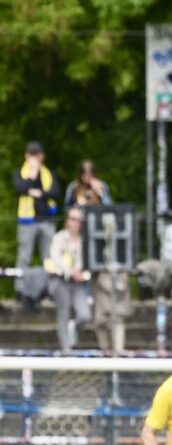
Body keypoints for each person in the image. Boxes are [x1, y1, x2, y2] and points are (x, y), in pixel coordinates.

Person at [13, 141, 61, 302]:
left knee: (48, 257)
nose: (34, 157)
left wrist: (37, 193)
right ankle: (20, 291)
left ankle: (48, 290)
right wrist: (32, 174)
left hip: (47, 220)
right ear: (26, 156)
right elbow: (20, 187)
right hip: (27, 221)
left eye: (37, 154)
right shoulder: (20, 172)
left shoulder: (49, 173)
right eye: (31, 154)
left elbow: (55, 192)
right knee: (24, 257)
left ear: (42, 156)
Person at [45, 206, 91, 353]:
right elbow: (55, 257)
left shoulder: (85, 240)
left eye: (79, 220)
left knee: (85, 315)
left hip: (78, 283)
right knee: (63, 314)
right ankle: (66, 350)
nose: (76, 223)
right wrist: (70, 271)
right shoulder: (59, 237)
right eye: (73, 219)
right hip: (61, 280)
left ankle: (74, 327)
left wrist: (81, 273)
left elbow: (88, 262)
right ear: (67, 221)